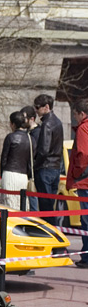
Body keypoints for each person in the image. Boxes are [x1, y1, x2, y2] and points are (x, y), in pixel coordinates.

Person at [33, 94, 65, 224]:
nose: (36, 110)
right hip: (55, 168)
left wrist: (35, 165)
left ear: (46, 107)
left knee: (45, 207)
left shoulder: (47, 124)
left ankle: (53, 238)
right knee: (50, 205)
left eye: (37, 107)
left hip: (45, 168)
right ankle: (55, 236)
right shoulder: (57, 122)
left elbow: (44, 150)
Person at [67, 98, 88, 268]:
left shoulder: (83, 128)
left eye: (75, 114)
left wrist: (76, 173)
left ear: (82, 113)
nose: (75, 118)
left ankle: (86, 256)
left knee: (86, 221)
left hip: (85, 182)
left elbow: (83, 154)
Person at [0, 111, 33, 211]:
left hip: (10, 173)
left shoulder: (10, 137)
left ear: (13, 124)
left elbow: (4, 158)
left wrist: (2, 174)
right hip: (23, 176)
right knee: (22, 203)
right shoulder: (30, 139)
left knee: (9, 204)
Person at [21, 105, 40, 211]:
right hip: (28, 171)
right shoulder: (28, 132)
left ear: (32, 119)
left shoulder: (37, 133)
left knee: (33, 202)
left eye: (25, 118)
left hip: (33, 172)